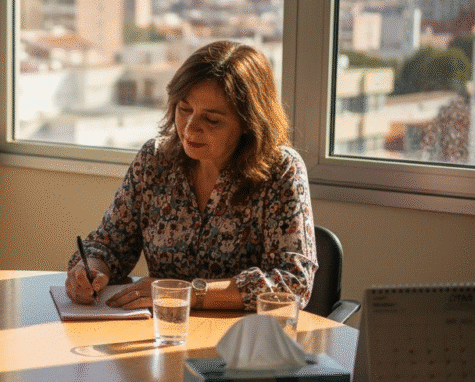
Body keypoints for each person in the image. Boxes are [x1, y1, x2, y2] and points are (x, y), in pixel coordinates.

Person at [65, 40, 316, 312]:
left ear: (248, 122)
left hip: (243, 343)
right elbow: (110, 244)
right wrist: (90, 269)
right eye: (184, 109)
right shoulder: (155, 160)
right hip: (161, 335)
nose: (190, 129)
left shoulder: (280, 170)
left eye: (212, 120)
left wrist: (183, 293)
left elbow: (293, 284)